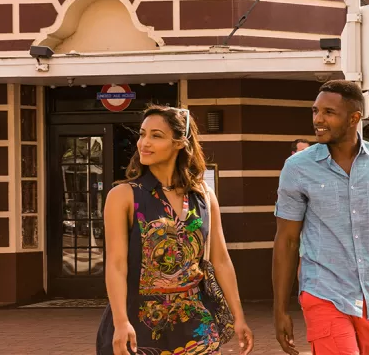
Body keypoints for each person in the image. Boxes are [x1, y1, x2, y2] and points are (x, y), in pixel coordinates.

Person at [96, 105, 254, 355]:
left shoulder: (203, 196)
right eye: (142, 134)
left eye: (156, 136)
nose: (144, 143)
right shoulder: (124, 196)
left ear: (180, 143)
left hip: (196, 327)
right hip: (141, 324)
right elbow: (116, 265)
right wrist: (120, 321)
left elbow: (221, 260)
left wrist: (238, 316)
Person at [272, 80, 369, 355]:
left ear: (354, 118)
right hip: (323, 292)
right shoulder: (298, 168)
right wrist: (280, 309)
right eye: (315, 111)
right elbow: (286, 240)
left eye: (328, 113)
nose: (318, 120)